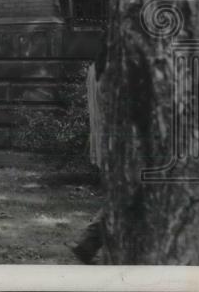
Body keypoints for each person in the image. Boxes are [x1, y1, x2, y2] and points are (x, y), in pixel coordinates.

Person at [71, 44, 108, 264]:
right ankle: (88, 242)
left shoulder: (95, 68)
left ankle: (88, 243)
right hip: (121, 145)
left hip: (105, 142)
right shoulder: (116, 69)